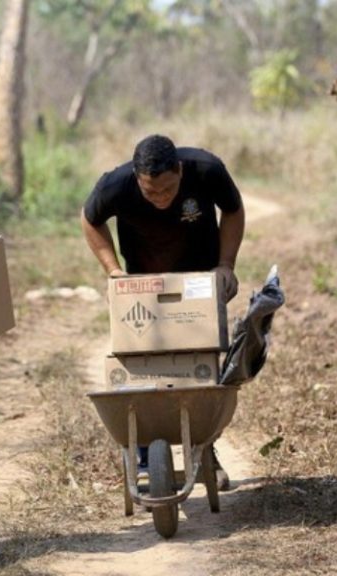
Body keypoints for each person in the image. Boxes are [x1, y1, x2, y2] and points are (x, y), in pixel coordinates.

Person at [81, 134, 245, 491]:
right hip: (143, 283)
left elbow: (233, 209)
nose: (160, 199)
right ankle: (143, 457)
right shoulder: (116, 185)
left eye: (168, 190)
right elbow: (89, 219)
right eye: (151, 192)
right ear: (138, 178)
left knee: (199, 368)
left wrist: (226, 265)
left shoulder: (207, 169)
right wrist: (113, 272)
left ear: (180, 171)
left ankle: (204, 452)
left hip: (197, 281)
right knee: (144, 366)